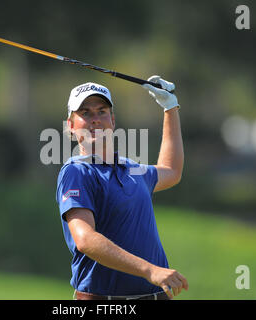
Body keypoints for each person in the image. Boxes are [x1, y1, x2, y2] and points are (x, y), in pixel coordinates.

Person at [56, 76, 188, 300]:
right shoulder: (77, 172)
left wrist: (170, 107)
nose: (95, 119)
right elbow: (85, 239)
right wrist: (150, 270)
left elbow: (171, 170)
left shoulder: (131, 168)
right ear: (70, 126)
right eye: (85, 113)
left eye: (102, 111)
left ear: (112, 121)